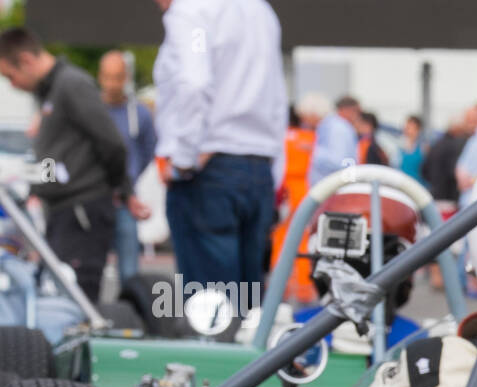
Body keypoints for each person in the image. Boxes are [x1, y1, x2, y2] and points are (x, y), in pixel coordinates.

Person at [153, 0, 286, 310]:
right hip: (257, 167)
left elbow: (194, 82)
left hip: (208, 171)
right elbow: (277, 97)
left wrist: (183, 160)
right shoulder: (261, 11)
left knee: (210, 310)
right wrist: (273, 170)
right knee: (247, 305)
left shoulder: (191, 10)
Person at [0, 28, 144, 302]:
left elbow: (112, 143)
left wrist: (121, 190)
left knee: (76, 302)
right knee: (59, 297)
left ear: (26, 61)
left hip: (81, 214)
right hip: (64, 213)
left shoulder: (71, 85)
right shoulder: (52, 91)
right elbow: (59, 156)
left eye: (10, 76)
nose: (12, 85)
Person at [98, 50, 156, 283]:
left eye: (118, 77)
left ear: (126, 78)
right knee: (90, 265)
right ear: (100, 77)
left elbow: (147, 150)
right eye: (108, 77)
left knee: (130, 270)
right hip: (95, 199)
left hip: (125, 200)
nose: (112, 84)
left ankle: (129, 304)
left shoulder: (139, 114)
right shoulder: (90, 110)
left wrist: (130, 178)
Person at [273, 93, 329, 304]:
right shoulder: (312, 139)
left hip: (285, 191)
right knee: (304, 237)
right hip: (304, 189)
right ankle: (305, 285)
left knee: (281, 236)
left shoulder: (283, 137)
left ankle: (280, 284)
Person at [310, 95, 362, 185]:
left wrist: (315, 151)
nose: (358, 116)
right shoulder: (339, 128)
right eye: (356, 111)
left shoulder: (336, 126)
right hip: (334, 184)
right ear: (347, 110)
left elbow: (339, 160)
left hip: (332, 184)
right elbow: (339, 161)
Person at [397, 115, 426, 184]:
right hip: (402, 183)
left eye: (410, 128)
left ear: (418, 130)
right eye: (406, 127)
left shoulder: (423, 148)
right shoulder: (400, 146)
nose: (407, 130)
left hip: (417, 184)